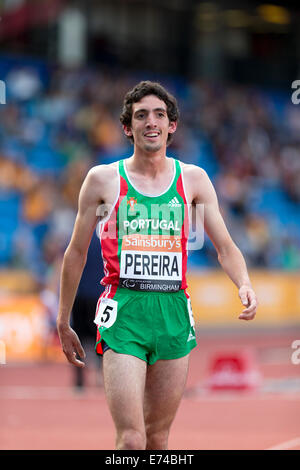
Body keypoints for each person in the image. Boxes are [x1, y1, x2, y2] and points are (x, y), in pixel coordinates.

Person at [56, 80, 258, 450]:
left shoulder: (194, 179)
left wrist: (243, 282)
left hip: (173, 313)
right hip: (125, 312)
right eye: (141, 115)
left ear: (172, 125)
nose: (152, 121)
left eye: (160, 115)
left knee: (159, 440)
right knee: (132, 440)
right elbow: (76, 252)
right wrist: (63, 318)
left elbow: (226, 246)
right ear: (127, 127)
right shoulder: (102, 180)